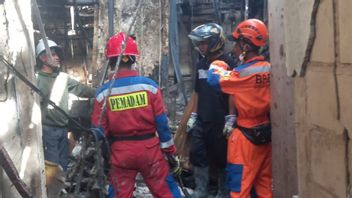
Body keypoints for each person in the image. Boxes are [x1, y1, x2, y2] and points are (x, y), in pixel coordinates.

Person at [91, 32, 182, 198]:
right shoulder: (150, 87)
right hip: (149, 150)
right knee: (166, 191)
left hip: (120, 153)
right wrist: (170, 151)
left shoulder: (103, 94)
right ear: (134, 59)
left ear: (110, 61)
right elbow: (162, 124)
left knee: (119, 194)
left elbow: (99, 131)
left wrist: (107, 155)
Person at [207, 19, 272, 198]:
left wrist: (219, 63)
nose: (234, 48)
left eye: (237, 43)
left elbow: (213, 79)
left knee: (238, 188)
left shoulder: (242, 74)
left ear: (245, 45)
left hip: (245, 138)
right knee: (264, 187)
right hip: (265, 133)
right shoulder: (269, 68)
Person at [187, 23, 236, 197]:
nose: (200, 46)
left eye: (204, 43)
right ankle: (201, 189)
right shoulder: (200, 64)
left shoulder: (230, 63)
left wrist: (231, 117)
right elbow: (197, 91)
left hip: (220, 119)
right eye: (199, 43)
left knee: (221, 157)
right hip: (202, 117)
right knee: (196, 153)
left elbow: (233, 93)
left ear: (215, 42)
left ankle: (222, 191)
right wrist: (193, 114)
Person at [35, 39, 96, 171]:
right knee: (52, 165)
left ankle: (61, 189)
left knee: (63, 163)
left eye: (57, 54)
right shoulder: (36, 79)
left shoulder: (63, 77)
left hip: (63, 128)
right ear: (42, 58)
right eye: (53, 54)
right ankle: (53, 191)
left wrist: (102, 92)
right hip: (47, 129)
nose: (57, 57)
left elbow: (82, 90)